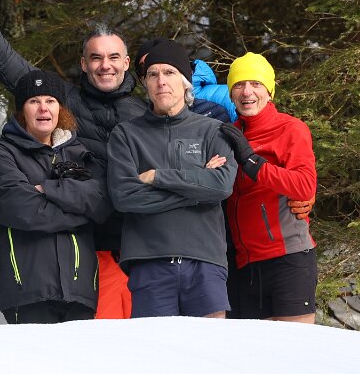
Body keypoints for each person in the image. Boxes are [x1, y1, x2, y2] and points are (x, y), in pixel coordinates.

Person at [0, 0, 145, 318]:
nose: (104, 65)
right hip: (90, 253)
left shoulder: (144, 113)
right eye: (96, 58)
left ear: (126, 63)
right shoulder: (63, 102)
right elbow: (9, 65)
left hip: (141, 250)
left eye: (113, 57)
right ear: (84, 64)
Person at [106, 39, 238, 317]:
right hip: (148, 261)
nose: (161, 81)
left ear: (185, 82)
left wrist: (158, 177)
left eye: (169, 72)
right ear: (146, 83)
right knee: (155, 346)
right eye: (153, 74)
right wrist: (197, 187)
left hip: (205, 260)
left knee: (211, 344)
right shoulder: (126, 135)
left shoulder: (214, 130)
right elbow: (125, 196)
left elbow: (222, 186)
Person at [0, 70, 112, 324]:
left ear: (60, 109)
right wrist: (82, 211)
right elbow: (25, 211)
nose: (43, 108)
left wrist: (49, 190)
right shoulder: (3, 155)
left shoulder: (79, 153)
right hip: (28, 291)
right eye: (34, 101)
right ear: (22, 110)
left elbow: (102, 201)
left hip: (80, 292)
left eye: (50, 101)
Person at [219, 52, 319, 323]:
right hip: (246, 263)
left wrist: (253, 163)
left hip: (289, 256)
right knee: (257, 348)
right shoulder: (227, 134)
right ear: (230, 93)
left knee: (294, 344)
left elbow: (304, 185)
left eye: (256, 84)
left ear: (270, 91)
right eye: (239, 84)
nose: (247, 91)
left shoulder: (290, 128)